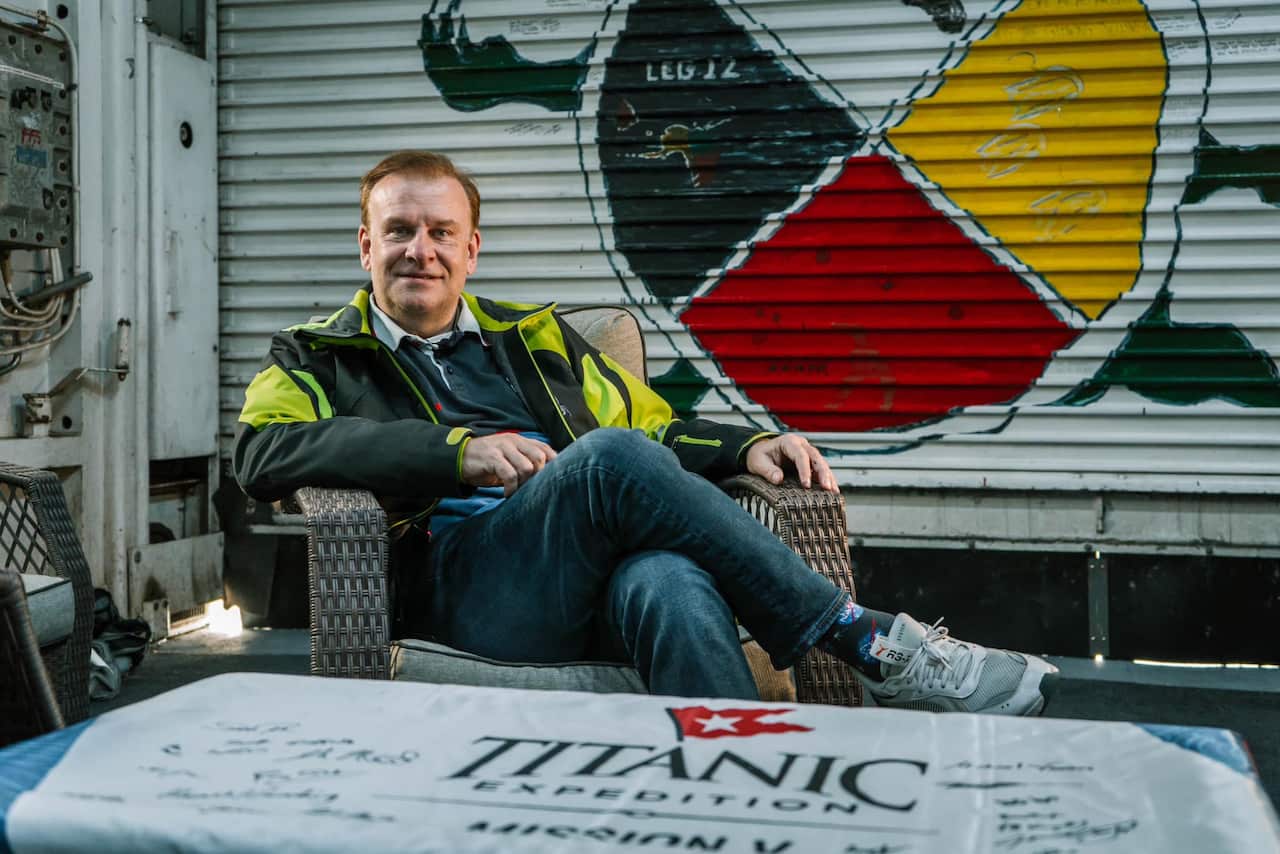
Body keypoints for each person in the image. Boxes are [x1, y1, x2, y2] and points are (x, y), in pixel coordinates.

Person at [234, 150, 1058, 714]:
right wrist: (456, 454)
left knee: (668, 577)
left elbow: (651, 426)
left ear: (471, 249)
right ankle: (864, 639)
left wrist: (743, 447)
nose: (421, 250)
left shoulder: (533, 338)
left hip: (589, 583)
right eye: (400, 231)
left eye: (440, 232)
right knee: (608, 458)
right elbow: (262, 450)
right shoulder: (316, 353)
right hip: (461, 590)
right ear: (366, 245)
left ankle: (742, 798)